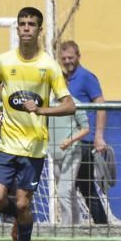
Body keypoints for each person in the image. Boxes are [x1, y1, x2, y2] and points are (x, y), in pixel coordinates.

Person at [0, 7, 75, 241]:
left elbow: (69, 106)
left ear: (38, 29)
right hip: (6, 144)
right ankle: (21, 220)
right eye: (22, 23)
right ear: (17, 28)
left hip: (34, 148)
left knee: (23, 203)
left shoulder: (49, 66)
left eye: (31, 24)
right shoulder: (3, 61)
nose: (25, 28)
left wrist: (42, 109)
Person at [59, 40, 110, 224]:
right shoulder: (63, 80)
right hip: (67, 142)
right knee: (74, 186)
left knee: (84, 186)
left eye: (70, 57)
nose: (67, 61)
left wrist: (98, 136)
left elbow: (101, 106)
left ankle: (101, 226)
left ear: (78, 56)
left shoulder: (86, 77)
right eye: (63, 58)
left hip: (84, 141)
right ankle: (77, 225)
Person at [47, 95, 90, 226]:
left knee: (63, 191)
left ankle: (65, 227)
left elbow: (86, 128)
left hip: (72, 153)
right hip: (55, 155)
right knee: (69, 193)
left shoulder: (75, 103)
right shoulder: (49, 104)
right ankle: (77, 224)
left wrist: (70, 141)